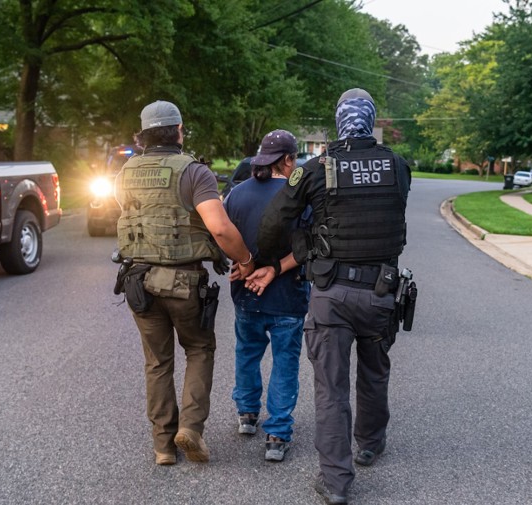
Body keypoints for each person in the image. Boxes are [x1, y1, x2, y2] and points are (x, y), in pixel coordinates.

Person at [255, 89, 411, 504]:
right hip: (382, 291)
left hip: (331, 293)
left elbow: (275, 220)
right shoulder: (396, 165)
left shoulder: (315, 168)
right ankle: (369, 444)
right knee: (375, 372)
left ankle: (337, 483)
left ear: (338, 121)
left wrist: (266, 258)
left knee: (330, 388)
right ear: (372, 119)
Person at [113, 100, 255, 466]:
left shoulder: (124, 173)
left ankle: (163, 446)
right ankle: (190, 429)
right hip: (184, 281)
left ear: (143, 136)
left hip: (138, 281)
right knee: (198, 349)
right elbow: (220, 228)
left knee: (157, 363)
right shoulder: (194, 172)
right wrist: (246, 261)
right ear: (179, 131)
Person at [223, 130, 310, 462]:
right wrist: (275, 267)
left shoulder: (237, 194)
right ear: (287, 160)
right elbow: (308, 248)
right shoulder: (300, 197)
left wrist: (241, 263)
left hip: (246, 294)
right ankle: (277, 434)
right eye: (295, 159)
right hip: (288, 295)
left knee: (247, 352)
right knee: (285, 362)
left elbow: (221, 234)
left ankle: (247, 415)